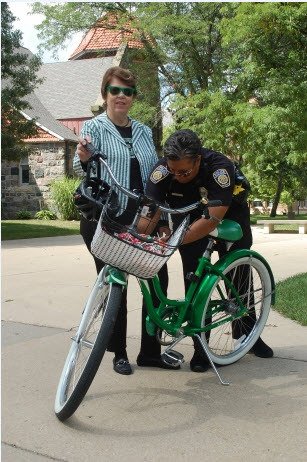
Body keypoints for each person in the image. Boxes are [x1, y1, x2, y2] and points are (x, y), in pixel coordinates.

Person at [144, 129, 274, 372]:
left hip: (228, 214)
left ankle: (248, 334)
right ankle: (201, 347)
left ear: (198, 160)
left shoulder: (219, 168)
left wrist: (175, 241)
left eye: (185, 172)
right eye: (173, 170)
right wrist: (159, 228)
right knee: (194, 280)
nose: (178, 176)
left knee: (239, 278)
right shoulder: (162, 170)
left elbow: (213, 219)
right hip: (190, 218)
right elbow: (151, 210)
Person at [73, 66, 174, 375]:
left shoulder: (144, 131)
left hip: (143, 218)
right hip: (106, 218)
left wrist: (163, 216)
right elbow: (80, 170)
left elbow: (157, 175)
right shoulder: (94, 128)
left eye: (127, 92)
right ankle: (119, 352)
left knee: (158, 279)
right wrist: (85, 159)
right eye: (115, 90)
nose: (121, 96)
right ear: (105, 94)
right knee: (116, 284)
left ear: (132, 98)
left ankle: (151, 351)